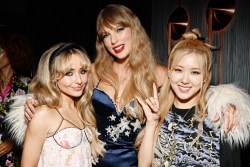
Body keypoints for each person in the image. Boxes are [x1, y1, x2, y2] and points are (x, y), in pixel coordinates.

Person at [23, 5, 238, 167]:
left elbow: (190, 87)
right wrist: (34, 103)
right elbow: (62, 88)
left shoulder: (158, 73)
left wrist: (226, 103)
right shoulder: (91, 71)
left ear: (133, 29)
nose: (113, 40)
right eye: (106, 35)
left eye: (119, 29)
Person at [136, 29, 250, 167]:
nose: (185, 80)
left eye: (195, 72)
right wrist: (151, 123)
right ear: (170, 72)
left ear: (205, 77)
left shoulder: (219, 117)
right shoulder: (156, 111)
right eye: (179, 70)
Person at [9, 42, 106, 167]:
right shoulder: (42, 115)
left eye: (82, 71)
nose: (79, 80)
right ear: (52, 76)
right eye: (69, 73)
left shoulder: (82, 110)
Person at [0, 25, 32, 167]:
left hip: (15, 157)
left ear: (11, 53)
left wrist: (13, 141)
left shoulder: (28, 85)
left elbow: (34, 121)